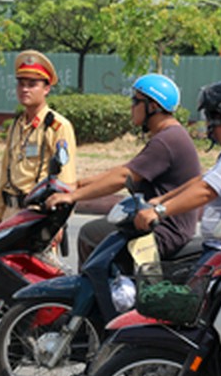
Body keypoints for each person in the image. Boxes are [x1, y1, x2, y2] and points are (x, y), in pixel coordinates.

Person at [46, 74, 202, 265]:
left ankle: (92, 294)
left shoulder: (167, 141)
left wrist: (72, 196)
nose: (131, 107)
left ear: (153, 106)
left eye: (135, 101)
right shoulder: (169, 135)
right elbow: (124, 170)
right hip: (158, 223)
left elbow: (123, 177)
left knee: (89, 234)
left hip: (164, 230)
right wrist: (76, 184)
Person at [133, 80, 221, 243]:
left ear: (217, 117)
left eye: (207, 115)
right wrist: (161, 200)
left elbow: (206, 190)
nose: (205, 123)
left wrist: (159, 211)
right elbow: (204, 180)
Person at [0, 51, 77, 238]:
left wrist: (58, 222)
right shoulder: (16, 125)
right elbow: (5, 172)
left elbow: (65, 179)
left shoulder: (57, 126)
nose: (25, 89)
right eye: (21, 84)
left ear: (46, 89)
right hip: (11, 213)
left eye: (32, 85)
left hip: (38, 215)